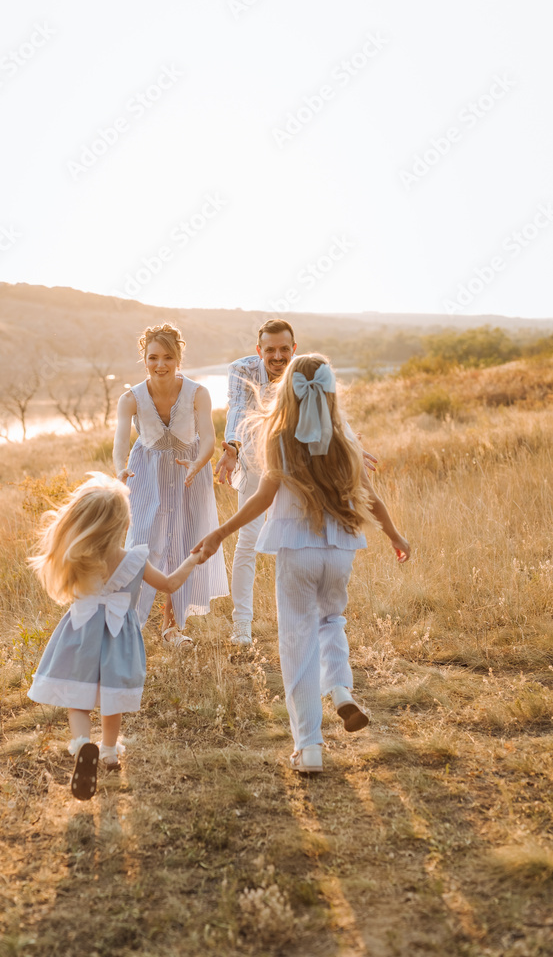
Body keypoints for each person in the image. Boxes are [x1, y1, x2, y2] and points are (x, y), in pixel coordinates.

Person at [194, 354, 410, 773]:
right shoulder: (345, 435)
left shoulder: (280, 436)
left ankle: (308, 746)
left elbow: (261, 500)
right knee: (332, 621)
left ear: (287, 391)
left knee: (297, 643)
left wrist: (220, 532)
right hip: (340, 551)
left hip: (297, 551)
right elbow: (370, 498)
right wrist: (394, 535)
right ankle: (342, 691)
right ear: (331, 391)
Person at [27, 473, 202, 800]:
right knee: (111, 697)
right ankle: (107, 751)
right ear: (123, 525)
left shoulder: (76, 557)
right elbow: (169, 585)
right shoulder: (135, 559)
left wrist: (109, 494)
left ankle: (82, 747)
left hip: (80, 634)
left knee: (77, 701)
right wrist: (192, 560)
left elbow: (101, 515)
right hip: (119, 637)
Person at [112, 323, 229, 647]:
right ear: (144, 358)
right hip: (145, 474)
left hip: (189, 472)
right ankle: (126, 627)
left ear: (178, 357)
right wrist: (120, 470)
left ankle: (171, 628)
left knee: (186, 543)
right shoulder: (130, 398)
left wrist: (197, 462)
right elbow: (121, 442)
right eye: (153, 358)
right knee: (142, 546)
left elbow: (208, 437)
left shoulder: (198, 393)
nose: (160, 365)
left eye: (167, 357)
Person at [215, 319, 298, 645]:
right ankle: (242, 628)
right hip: (252, 457)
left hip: (293, 460)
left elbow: (324, 413)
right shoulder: (242, 369)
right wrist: (232, 447)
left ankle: (294, 625)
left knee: (293, 543)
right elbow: (236, 407)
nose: (277, 357)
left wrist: (349, 447)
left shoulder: (303, 371)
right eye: (270, 350)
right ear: (258, 350)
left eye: (284, 349)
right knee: (248, 541)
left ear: (294, 348)